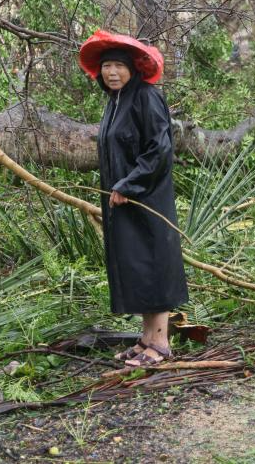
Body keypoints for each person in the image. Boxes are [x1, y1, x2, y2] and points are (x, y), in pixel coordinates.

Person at [78, 30, 189, 367]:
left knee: (153, 263)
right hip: (122, 201)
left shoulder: (146, 96)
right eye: (107, 66)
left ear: (132, 68)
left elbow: (160, 148)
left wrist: (129, 185)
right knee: (136, 266)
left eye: (118, 66)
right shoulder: (115, 101)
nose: (112, 72)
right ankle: (145, 339)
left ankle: (162, 343)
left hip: (146, 199)